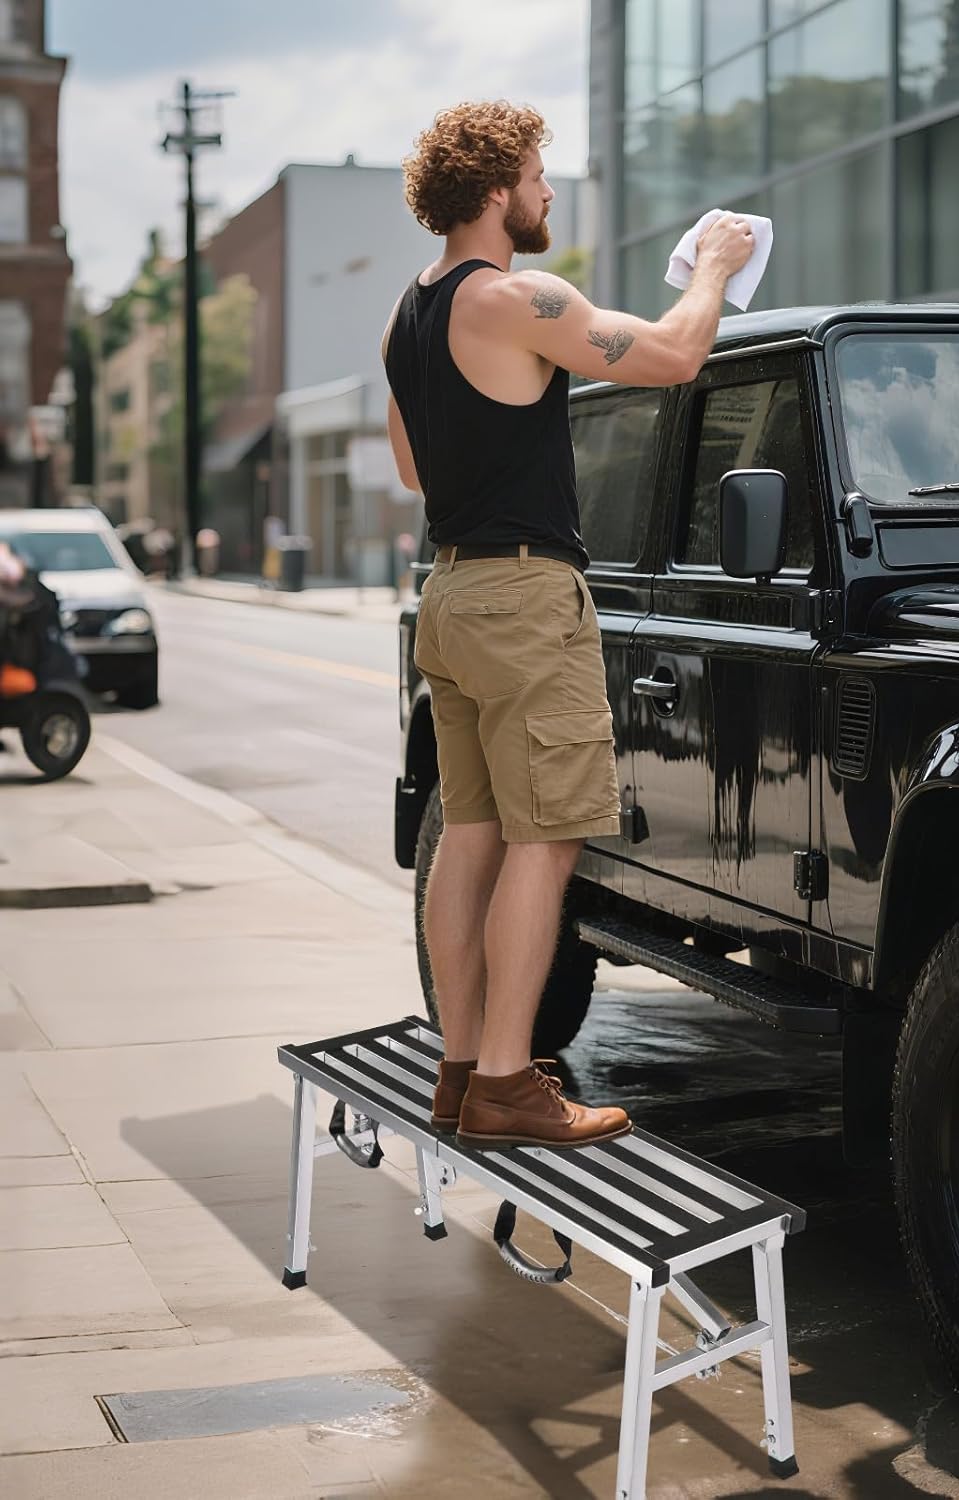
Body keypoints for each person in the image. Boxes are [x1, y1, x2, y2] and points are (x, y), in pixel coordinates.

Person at [382, 100, 754, 1149]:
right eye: (541, 175)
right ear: (498, 187)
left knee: (470, 834)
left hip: (449, 597)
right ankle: (508, 1083)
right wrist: (715, 269)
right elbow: (677, 356)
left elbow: (414, 469)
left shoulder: (406, 314)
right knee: (547, 843)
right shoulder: (517, 296)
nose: (549, 192)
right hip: (522, 598)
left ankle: (461, 1068)